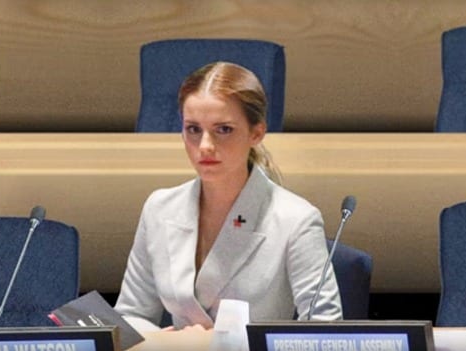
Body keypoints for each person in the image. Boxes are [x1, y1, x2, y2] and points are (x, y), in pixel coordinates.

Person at [115, 61, 342, 330]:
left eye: (223, 130)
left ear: (256, 133)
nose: (205, 146)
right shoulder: (159, 208)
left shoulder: (296, 219)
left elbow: (323, 333)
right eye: (193, 129)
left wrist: (203, 344)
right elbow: (129, 318)